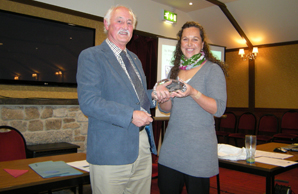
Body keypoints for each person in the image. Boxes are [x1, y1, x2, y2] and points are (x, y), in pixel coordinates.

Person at [76, 5, 157, 194]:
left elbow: (136, 97)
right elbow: (89, 102)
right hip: (110, 151)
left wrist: (154, 94)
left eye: (129, 23)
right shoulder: (91, 56)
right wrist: (130, 115)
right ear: (106, 24)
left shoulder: (135, 59)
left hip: (142, 146)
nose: (125, 26)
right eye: (119, 21)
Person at [153, 21, 227, 194]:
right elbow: (166, 109)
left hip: (198, 151)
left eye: (195, 39)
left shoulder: (212, 70)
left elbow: (219, 108)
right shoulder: (174, 71)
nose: (189, 44)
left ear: (202, 44)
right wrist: (162, 97)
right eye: (185, 39)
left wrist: (193, 92)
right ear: (180, 44)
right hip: (171, 149)